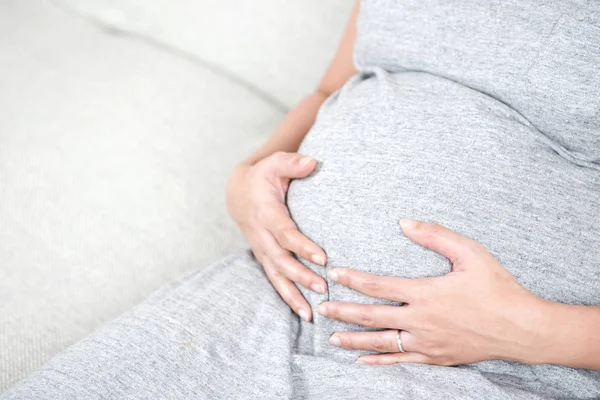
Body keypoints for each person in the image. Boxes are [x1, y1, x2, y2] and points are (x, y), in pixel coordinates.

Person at [3, 0, 600, 399]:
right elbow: (331, 85)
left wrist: (527, 331)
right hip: (267, 298)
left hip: (496, 367)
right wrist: (250, 175)